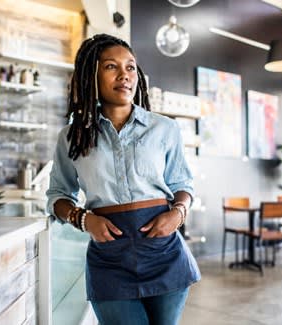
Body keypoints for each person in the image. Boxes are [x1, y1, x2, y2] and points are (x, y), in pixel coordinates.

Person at [46, 33, 200, 325]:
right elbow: (57, 195)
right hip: (109, 261)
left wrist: (177, 214)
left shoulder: (164, 128)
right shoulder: (72, 136)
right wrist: (83, 219)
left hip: (164, 254)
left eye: (130, 67)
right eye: (110, 67)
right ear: (91, 75)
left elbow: (183, 184)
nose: (124, 75)